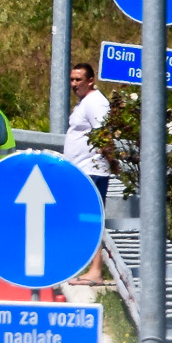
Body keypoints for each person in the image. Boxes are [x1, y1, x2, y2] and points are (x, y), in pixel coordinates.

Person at [64, 62, 113, 285]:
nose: (74, 84)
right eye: (72, 80)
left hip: (92, 170)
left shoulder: (95, 102)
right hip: (83, 170)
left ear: (90, 80)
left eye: (78, 80)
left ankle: (95, 271)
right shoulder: (86, 103)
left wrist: (113, 162)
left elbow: (104, 135)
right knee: (85, 219)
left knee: (91, 218)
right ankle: (89, 268)